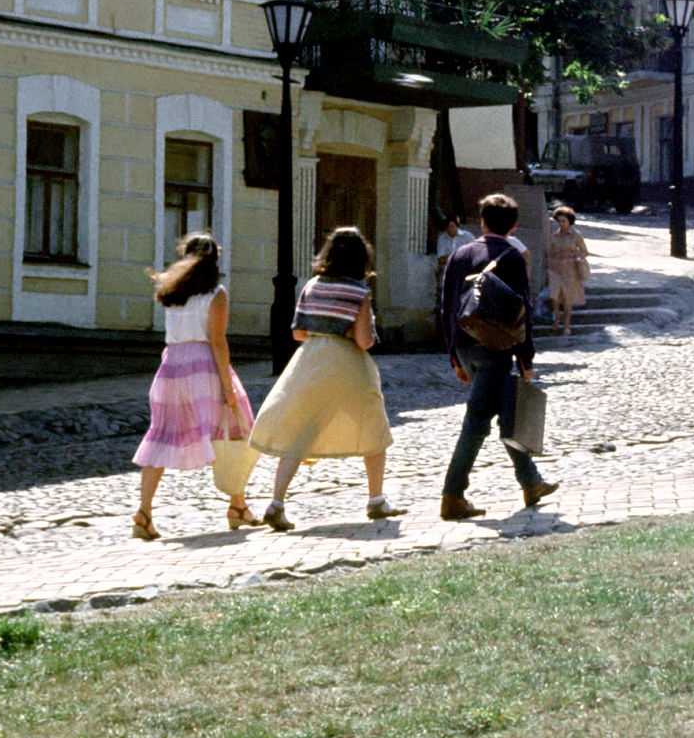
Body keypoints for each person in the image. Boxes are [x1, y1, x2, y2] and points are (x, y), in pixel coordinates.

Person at [249, 227, 404, 531]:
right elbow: (363, 341)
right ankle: (376, 499)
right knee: (374, 427)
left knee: (300, 430)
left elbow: (297, 332)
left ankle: (276, 502)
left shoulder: (313, 285)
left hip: (310, 359)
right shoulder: (360, 292)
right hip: (347, 362)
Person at [129, 234, 257, 540]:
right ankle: (237, 506)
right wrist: (228, 387)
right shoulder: (216, 293)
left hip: (171, 366)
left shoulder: (172, 292)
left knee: (161, 435)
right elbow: (217, 340)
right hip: (203, 366)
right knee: (232, 428)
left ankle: (143, 513)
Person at [439, 192, 559, 519]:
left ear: (482, 221)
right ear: (515, 225)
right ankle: (452, 495)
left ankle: (531, 481)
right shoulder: (513, 257)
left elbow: (447, 306)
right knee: (477, 422)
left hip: (465, 345)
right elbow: (522, 312)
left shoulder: (460, 254)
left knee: (509, 412)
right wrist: (526, 359)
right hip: (498, 348)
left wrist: (454, 356)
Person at [545, 206, 589, 335]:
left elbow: (584, 251)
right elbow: (550, 253)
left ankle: (566, 325)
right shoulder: (555, 236)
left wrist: (577, 256)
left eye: (564, 221)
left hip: (570, 270)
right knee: (554, 295)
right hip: (555, 268)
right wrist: (548, 269)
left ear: (569, 221)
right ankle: (557, 317)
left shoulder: (576, 235)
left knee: (567, 297)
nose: (561, 224)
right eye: (559, 221)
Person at [434, 213, 475, 339]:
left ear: (457, 226)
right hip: (449, 275)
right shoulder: (443, 238)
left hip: (466, 275)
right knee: (449, 304)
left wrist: (453, 258)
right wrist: (458, 257)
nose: (450, 230)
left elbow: (473, 253)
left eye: (452, 226)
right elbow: (441, 258)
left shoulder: (467, 236)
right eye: (448, 227)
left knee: (466, 302)